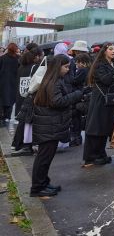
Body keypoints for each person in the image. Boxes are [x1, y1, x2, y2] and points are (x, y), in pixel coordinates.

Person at [29, 55, 85, 197]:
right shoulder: (54, 82)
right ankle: (37, 187)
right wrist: (76, 95)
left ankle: (43, 183)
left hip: (49, 124)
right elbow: (57, 102)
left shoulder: (52, 80)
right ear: (57, 67)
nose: (67, 69)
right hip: (49, 125)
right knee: (44, 158)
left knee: (45, 158)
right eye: (65, 67)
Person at [83, 43, 114, 166]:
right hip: (100, 100)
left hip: (109, 101)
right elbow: (106, 80)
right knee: (96, 127)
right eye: (110, 49)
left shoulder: (110, 64)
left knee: (104, 127)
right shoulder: (100, 64)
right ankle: (91, 156)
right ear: (104, 51)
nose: (113, 51)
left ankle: (100, 154)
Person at [12, 47, 44, 153]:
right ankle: (25, 144)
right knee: (28, 122)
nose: (42, 57)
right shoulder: (35, 67)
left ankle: (17, 143)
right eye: (41, 55)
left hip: (20, 95)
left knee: (22, 121)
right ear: (37, 56)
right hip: (30, 96)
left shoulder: (21, 67)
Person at [0, 43, 20, 126]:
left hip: (2, 82)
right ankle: (7, 117)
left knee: (2, 99)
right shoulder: (18, 59)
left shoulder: (2, 58)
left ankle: (2, 116)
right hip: (13, 82)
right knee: (11, 100)